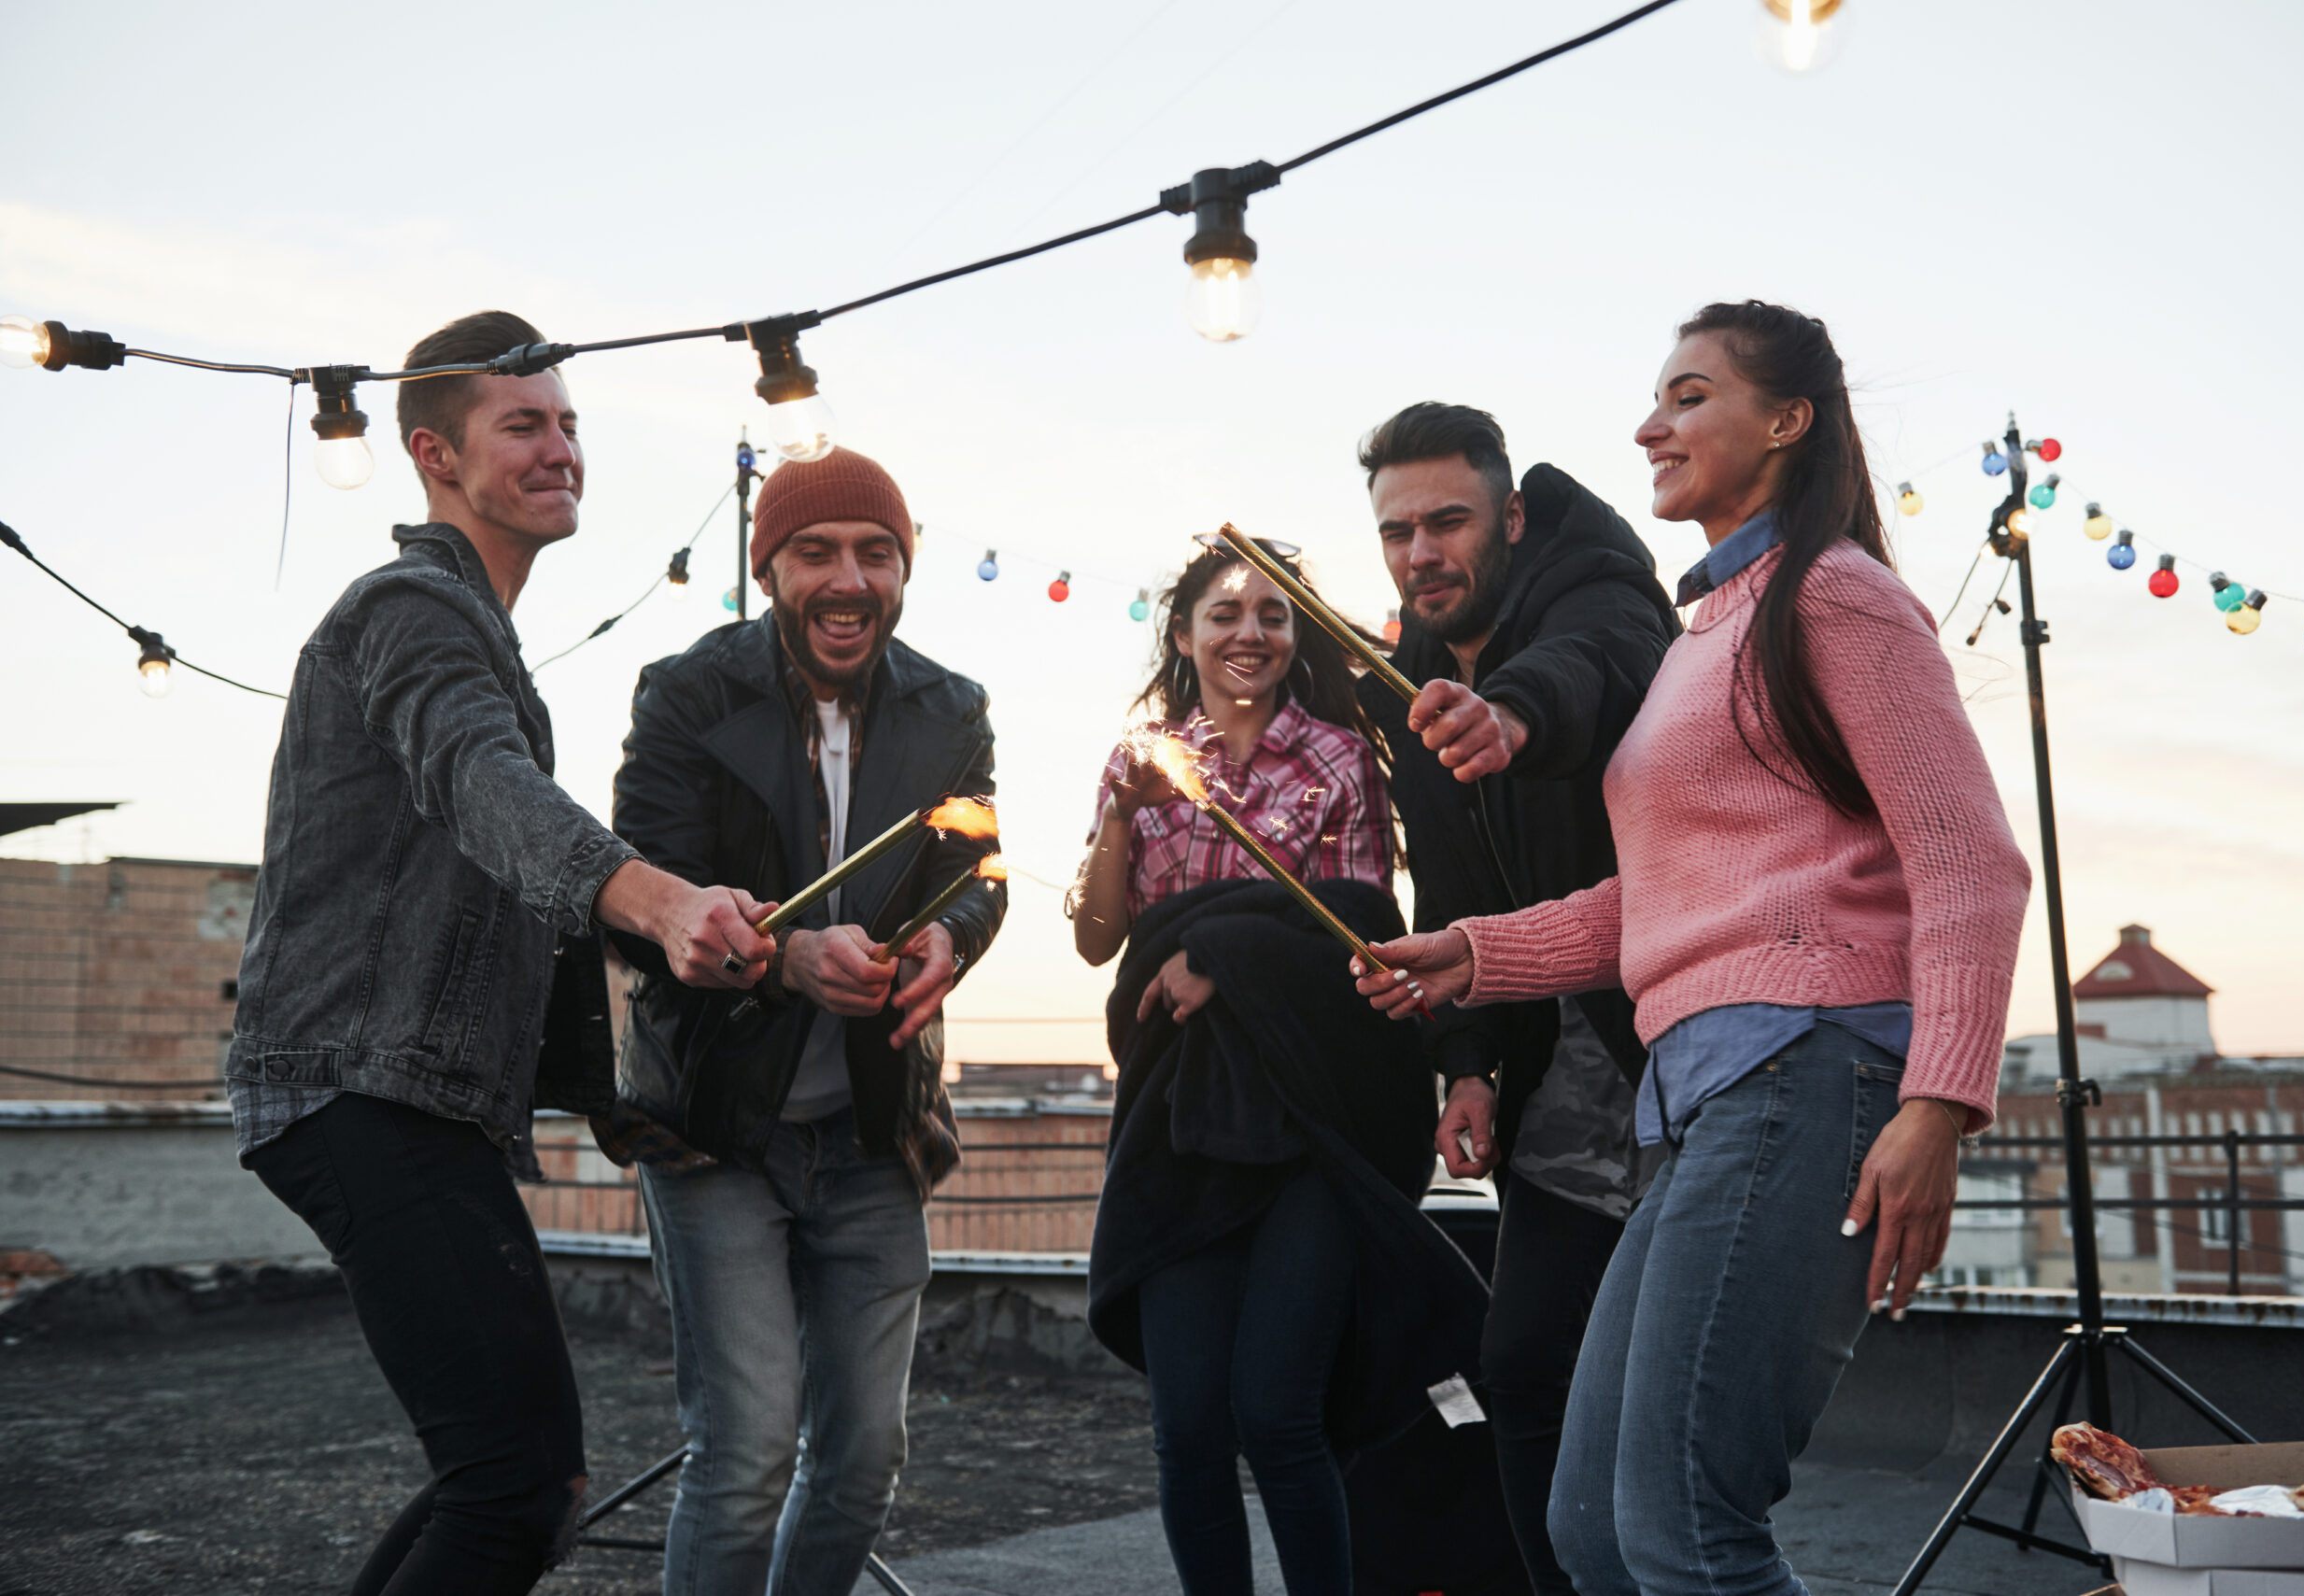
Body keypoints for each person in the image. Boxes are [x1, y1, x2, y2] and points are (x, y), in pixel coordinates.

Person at [1356, 301, 2032, 1596]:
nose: (1648, 426)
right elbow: (1655, 901)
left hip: (1799, 1068)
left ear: (1786, 421)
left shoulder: (1838, 597)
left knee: (1684, 1535)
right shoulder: (1704, 634)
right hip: (1698, 1098)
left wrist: (1940, 1101)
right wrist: (1474, 955)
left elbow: (1968, 860)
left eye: (1688, 396)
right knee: (1596, 1533)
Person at [227, 310, 777, 1595]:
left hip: (405, 1102)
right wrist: (658, 898)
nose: (560, 448)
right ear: (435, 453)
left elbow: (489, 879)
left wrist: (621, 1095)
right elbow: (483, 786)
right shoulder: (412, 609)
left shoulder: (473, 626)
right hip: (360, 1093)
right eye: (522, 425)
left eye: (569, 424)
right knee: (518, 1485)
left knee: (512, 1480)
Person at [607, 447, 1002, 1594]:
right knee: (743, 1455)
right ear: (769, 565)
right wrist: (782, 959)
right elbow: (640, 906)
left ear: (903, 568)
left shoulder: (953, 707)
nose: (848, 577)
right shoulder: (685, 693)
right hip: (717, 1125)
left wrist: (954, 936)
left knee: (865, 1459)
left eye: (875, 552)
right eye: (817, 552)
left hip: (876, 1130)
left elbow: (981, 869)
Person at [1075, 538, 1486, 1596]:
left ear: (1296, 635)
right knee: (1189, 1426)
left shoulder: (1340, 756)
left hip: (1307, 1109)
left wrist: (1222, 956)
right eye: (1222, 612)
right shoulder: (1146, 758)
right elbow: (1097, 936)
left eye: (1272, 612)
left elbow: (1356, 932)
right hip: (1178, 1111)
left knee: (1277, 1409)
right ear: (1182, 634)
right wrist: (1117, 817)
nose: (1248, 631)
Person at [1352, 401, 1676, 1596]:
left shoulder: (1598, 587)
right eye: (1397, 531)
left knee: (1673, 1413)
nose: (1420, 552)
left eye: (1446, 520)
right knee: (1524, 1364)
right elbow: (1445, 884)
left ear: (1514, 517)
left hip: (1677, 1047)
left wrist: (1512, 715)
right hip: (1553, 1075)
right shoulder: (1410, 673)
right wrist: (1469, 1064)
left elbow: (1597, 666)